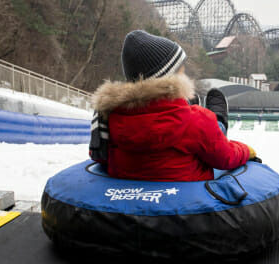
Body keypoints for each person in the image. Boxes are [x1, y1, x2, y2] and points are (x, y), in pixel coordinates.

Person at [89, 30, 256, 182]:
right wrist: (247, 150)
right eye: (182, 72)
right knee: (211, 127)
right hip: (189, 202)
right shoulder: (196, 120)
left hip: (128, 202)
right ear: (171, 78)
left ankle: (207, 118)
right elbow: (225, 158)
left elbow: (99, 156)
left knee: (201, 126)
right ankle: (219, 120)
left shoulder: (109, 117)